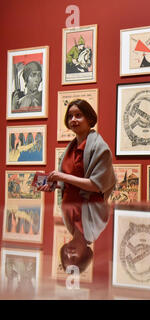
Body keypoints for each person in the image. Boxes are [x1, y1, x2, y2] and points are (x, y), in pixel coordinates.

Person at [38, 99, 116, 273]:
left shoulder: (100, 148)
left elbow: (96, 185)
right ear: (85, 254)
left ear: (89, 119)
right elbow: (72, 183)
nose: (73, 119)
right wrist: (55, 185)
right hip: (73, 206)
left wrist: (62, 177)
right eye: (71, 116)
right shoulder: (70, 148)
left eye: (78, 115)